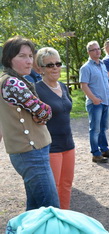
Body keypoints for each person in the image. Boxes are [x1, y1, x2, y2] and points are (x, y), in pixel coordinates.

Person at [0, 36, 59, 210]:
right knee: (49, 209)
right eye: (22, 56)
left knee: (35, 209)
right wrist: (42, 114)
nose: (28, 61)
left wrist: (40, 114)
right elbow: (45, 112)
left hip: (28, 152)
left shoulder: (8, 79)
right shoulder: (13, 83)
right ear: (9, 59)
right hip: (31, 152)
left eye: (30, 56)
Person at [35, 47, 75, 209]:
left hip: (68, 144)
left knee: (66, 185)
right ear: (40, 69)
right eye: (49, 65)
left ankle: (64, 219)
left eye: (58, 64)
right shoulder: (36, 89)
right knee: (53, 188)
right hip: (51, 146)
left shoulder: (63, 87)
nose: (55, 68)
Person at [79, 41, 109, 163]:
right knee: (95, 129)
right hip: (95, 103)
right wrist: (94, 99)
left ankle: (104, 149)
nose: (97, 51)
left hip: (105, 101)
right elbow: (84, 86)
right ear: (88, 52)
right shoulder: (86, 68)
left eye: (98, 49)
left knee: (103, 128)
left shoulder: (103, 65)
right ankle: (96, 153)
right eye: (94, 50)